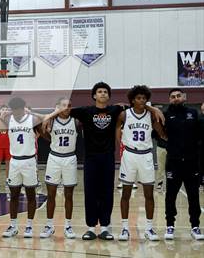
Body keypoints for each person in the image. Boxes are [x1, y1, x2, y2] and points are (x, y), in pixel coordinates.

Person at [45, 82, 164, 240]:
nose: (102, 94)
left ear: (108, 96)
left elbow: (137, 104)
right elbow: (64, 110)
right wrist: (49, 116)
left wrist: (154, 109)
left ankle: (105, 227)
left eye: (105, 92)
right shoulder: (86, 111)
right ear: (94, 95)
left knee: (107, 193)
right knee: (91, 193)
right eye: (99, 91)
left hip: (107, 157)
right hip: (90, 158)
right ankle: (91, 228)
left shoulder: (115, 110)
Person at [116, 86, 164, 241]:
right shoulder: (124, 114)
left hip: (146, 156)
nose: (142, 100)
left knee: (149, 194)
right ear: (132, 100)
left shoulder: (151, 115)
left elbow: (161, 133)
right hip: (129, 155)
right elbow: (117, 132)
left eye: (144, 98)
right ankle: (125, 228)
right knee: (126, 193)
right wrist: (122, 145)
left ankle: (149, 228)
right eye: (138, 98)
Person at [0, 97, 43, 238]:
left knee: (30, 194)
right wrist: (3, 114)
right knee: (14, 195)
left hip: (29, 161)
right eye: (14, 110)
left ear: (23, 108)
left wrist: (32, 113)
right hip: (14, 161)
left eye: (18, 109)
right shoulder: (8, 119)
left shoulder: (33, 120)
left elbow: (44, 124)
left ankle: (29, 226)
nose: (16, 112)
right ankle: (13, 226)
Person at [162, 89, 202, 240]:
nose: (176, 98)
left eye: (178, 96)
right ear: (169, 100)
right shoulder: (165, 115)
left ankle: (195, 226)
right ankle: (170, 225)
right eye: (173, 97)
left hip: (191, 162)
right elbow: (158, 134)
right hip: (173, 162)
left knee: (193, 195)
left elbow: (200, 134)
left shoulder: (193, 113)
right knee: (170, 196)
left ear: (184, 97)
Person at [41, 97, 78, 239]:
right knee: (51, 194)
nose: (67, 108)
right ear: (57, 107)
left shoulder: (75, 121)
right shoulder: (51, 121)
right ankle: (49, 225)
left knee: (69, 195)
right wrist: (54, 113)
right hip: (54, 158)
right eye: (64, 105)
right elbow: (43, 128)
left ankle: (68, 225)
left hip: (70, 158)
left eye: (69, 105)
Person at [0, 105, 11, 188]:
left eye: (6, 109)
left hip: (8, 145)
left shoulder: (10, 120)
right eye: (3, 109)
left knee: (8, 163)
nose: (4, 111)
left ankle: (8, 180)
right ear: (0, 111)